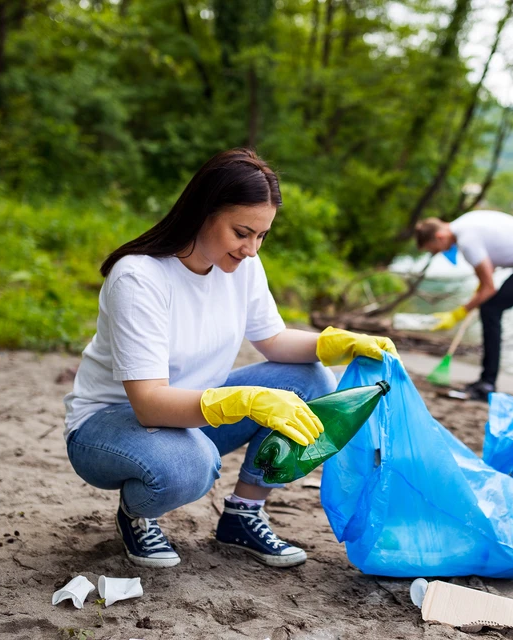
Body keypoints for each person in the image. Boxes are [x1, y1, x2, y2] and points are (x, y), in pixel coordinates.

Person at [63, 148, 398, 570]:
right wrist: (246, 400)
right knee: (190, 466)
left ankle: (243, 513)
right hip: (112, 425)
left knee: (310, 380)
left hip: (192, 415)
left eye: (261, 236)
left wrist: (339, 343)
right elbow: (148, 403)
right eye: (242, 232)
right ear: (203, 211)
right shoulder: (139, 276)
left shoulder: (241, 267)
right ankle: (137, 513)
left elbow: (274, 341)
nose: (251, 249)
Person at [415, 210, 513, 405]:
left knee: (490, 309)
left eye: (434, 249)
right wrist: (480, 291)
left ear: (440, 236)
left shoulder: (466, 240)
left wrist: (458, 313)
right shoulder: (465, 223)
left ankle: (487, 383)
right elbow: (490, 270)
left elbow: (489, 288)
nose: (439, 252)